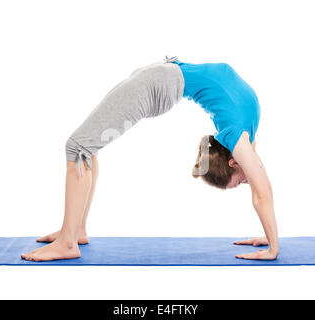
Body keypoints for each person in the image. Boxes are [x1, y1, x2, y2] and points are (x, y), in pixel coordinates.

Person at [21, 55, 279, 262]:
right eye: (240, 182)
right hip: (156, 84)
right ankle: (70, 239)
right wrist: (273, 248)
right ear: (234, 162)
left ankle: (74, 233)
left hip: (159, 78)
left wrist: (268, 236)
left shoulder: (245, 133)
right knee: (79, 148)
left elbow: (260, 184)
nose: (249, 179)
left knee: (84, 146)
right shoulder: (239, 139)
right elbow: (262, 194)